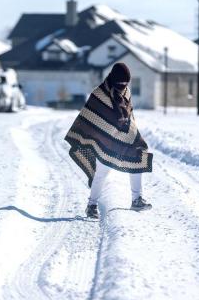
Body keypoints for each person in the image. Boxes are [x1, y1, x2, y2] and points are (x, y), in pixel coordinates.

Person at [64, 62, 153, 219]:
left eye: (126, 83)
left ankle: (137, 199)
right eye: (121, 83)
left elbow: (129, 116)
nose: (123, 86)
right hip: (105, 140)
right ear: (113, 79)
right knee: (102, 173)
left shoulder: (126, 92)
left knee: (138, 158)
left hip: (125, 138)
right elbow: (90, 117)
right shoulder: (99, 94)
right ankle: (91, 205)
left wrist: (132, 133)